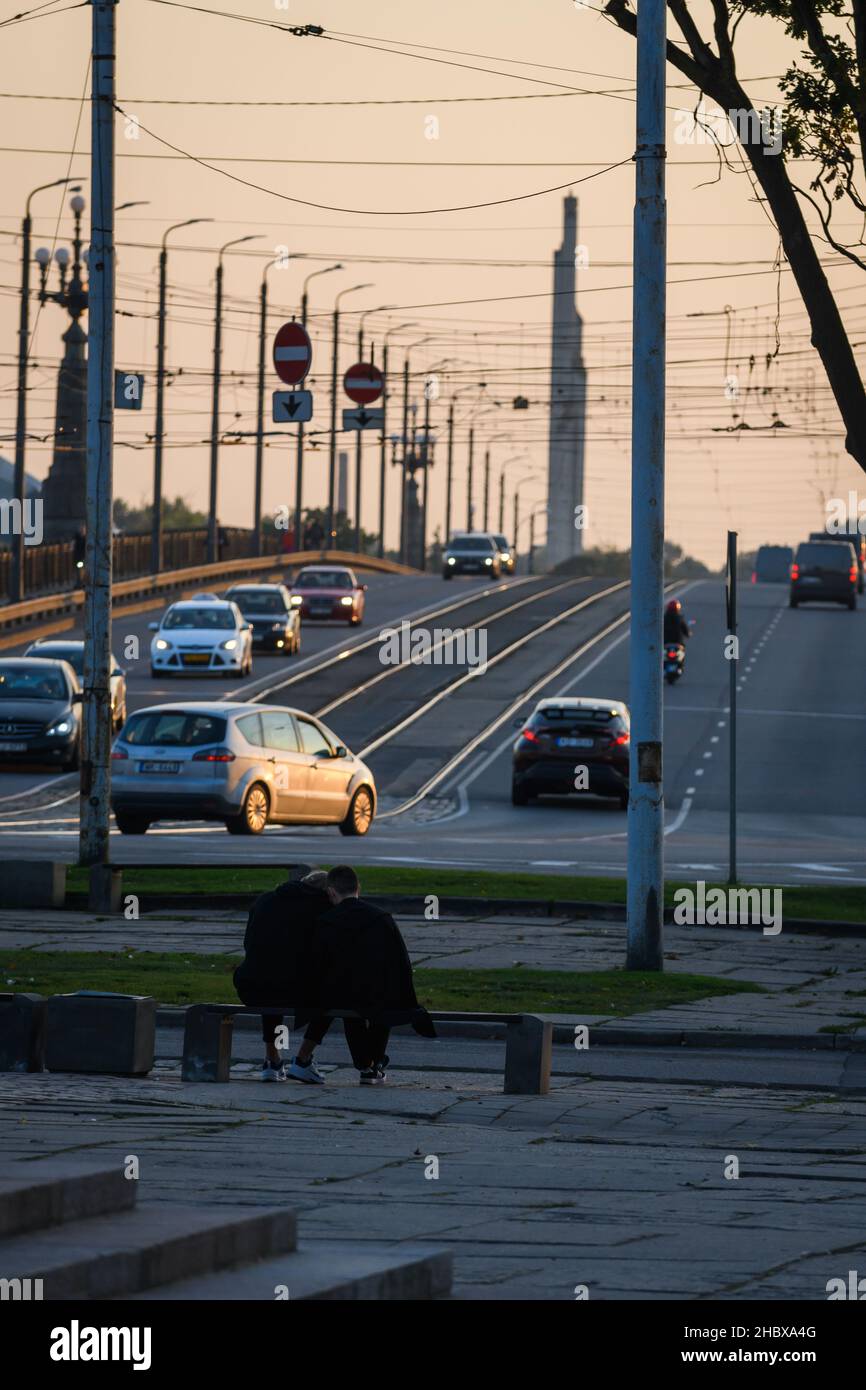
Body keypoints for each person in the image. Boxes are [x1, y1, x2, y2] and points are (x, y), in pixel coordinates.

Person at [308, 864, 435, 1085]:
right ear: (359, 887)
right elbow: (400, 960)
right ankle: (372, 1063)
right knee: (381, 1006)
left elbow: (319, 962)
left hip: (343, 992)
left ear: (331, 892)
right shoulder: (380, 917)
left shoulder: (327, 920)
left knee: (347, 1001)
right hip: (378, 991)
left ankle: (365, 1063)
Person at [233, 868, 334, 1084]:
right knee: (335, 991)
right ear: (328, 892)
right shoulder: (324, 908)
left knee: (271, 979)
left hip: (250, 985)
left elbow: (249, 942)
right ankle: (303, 1059)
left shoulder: (265, 900)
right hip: (295, 990)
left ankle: (272, 1060)